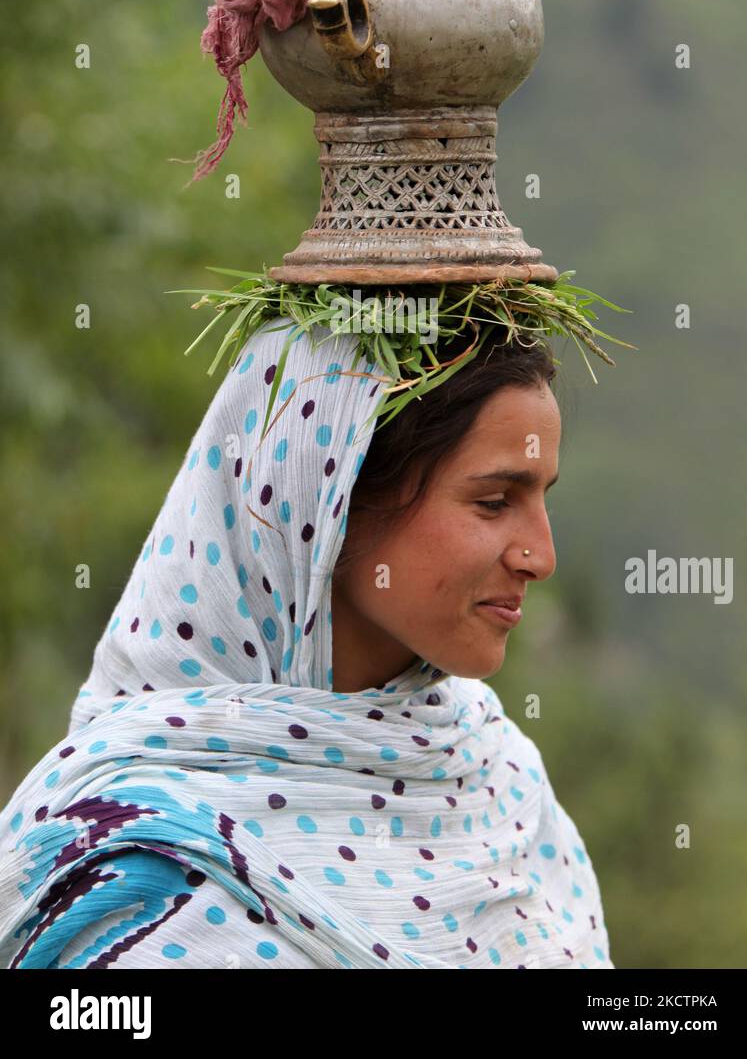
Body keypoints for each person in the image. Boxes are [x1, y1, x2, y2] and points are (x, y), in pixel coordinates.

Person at [0, 316, 613, 969]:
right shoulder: (137, 859)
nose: (539, 557)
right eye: (493, 502)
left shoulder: (495, 776)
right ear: (330, 502)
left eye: (540, 498)